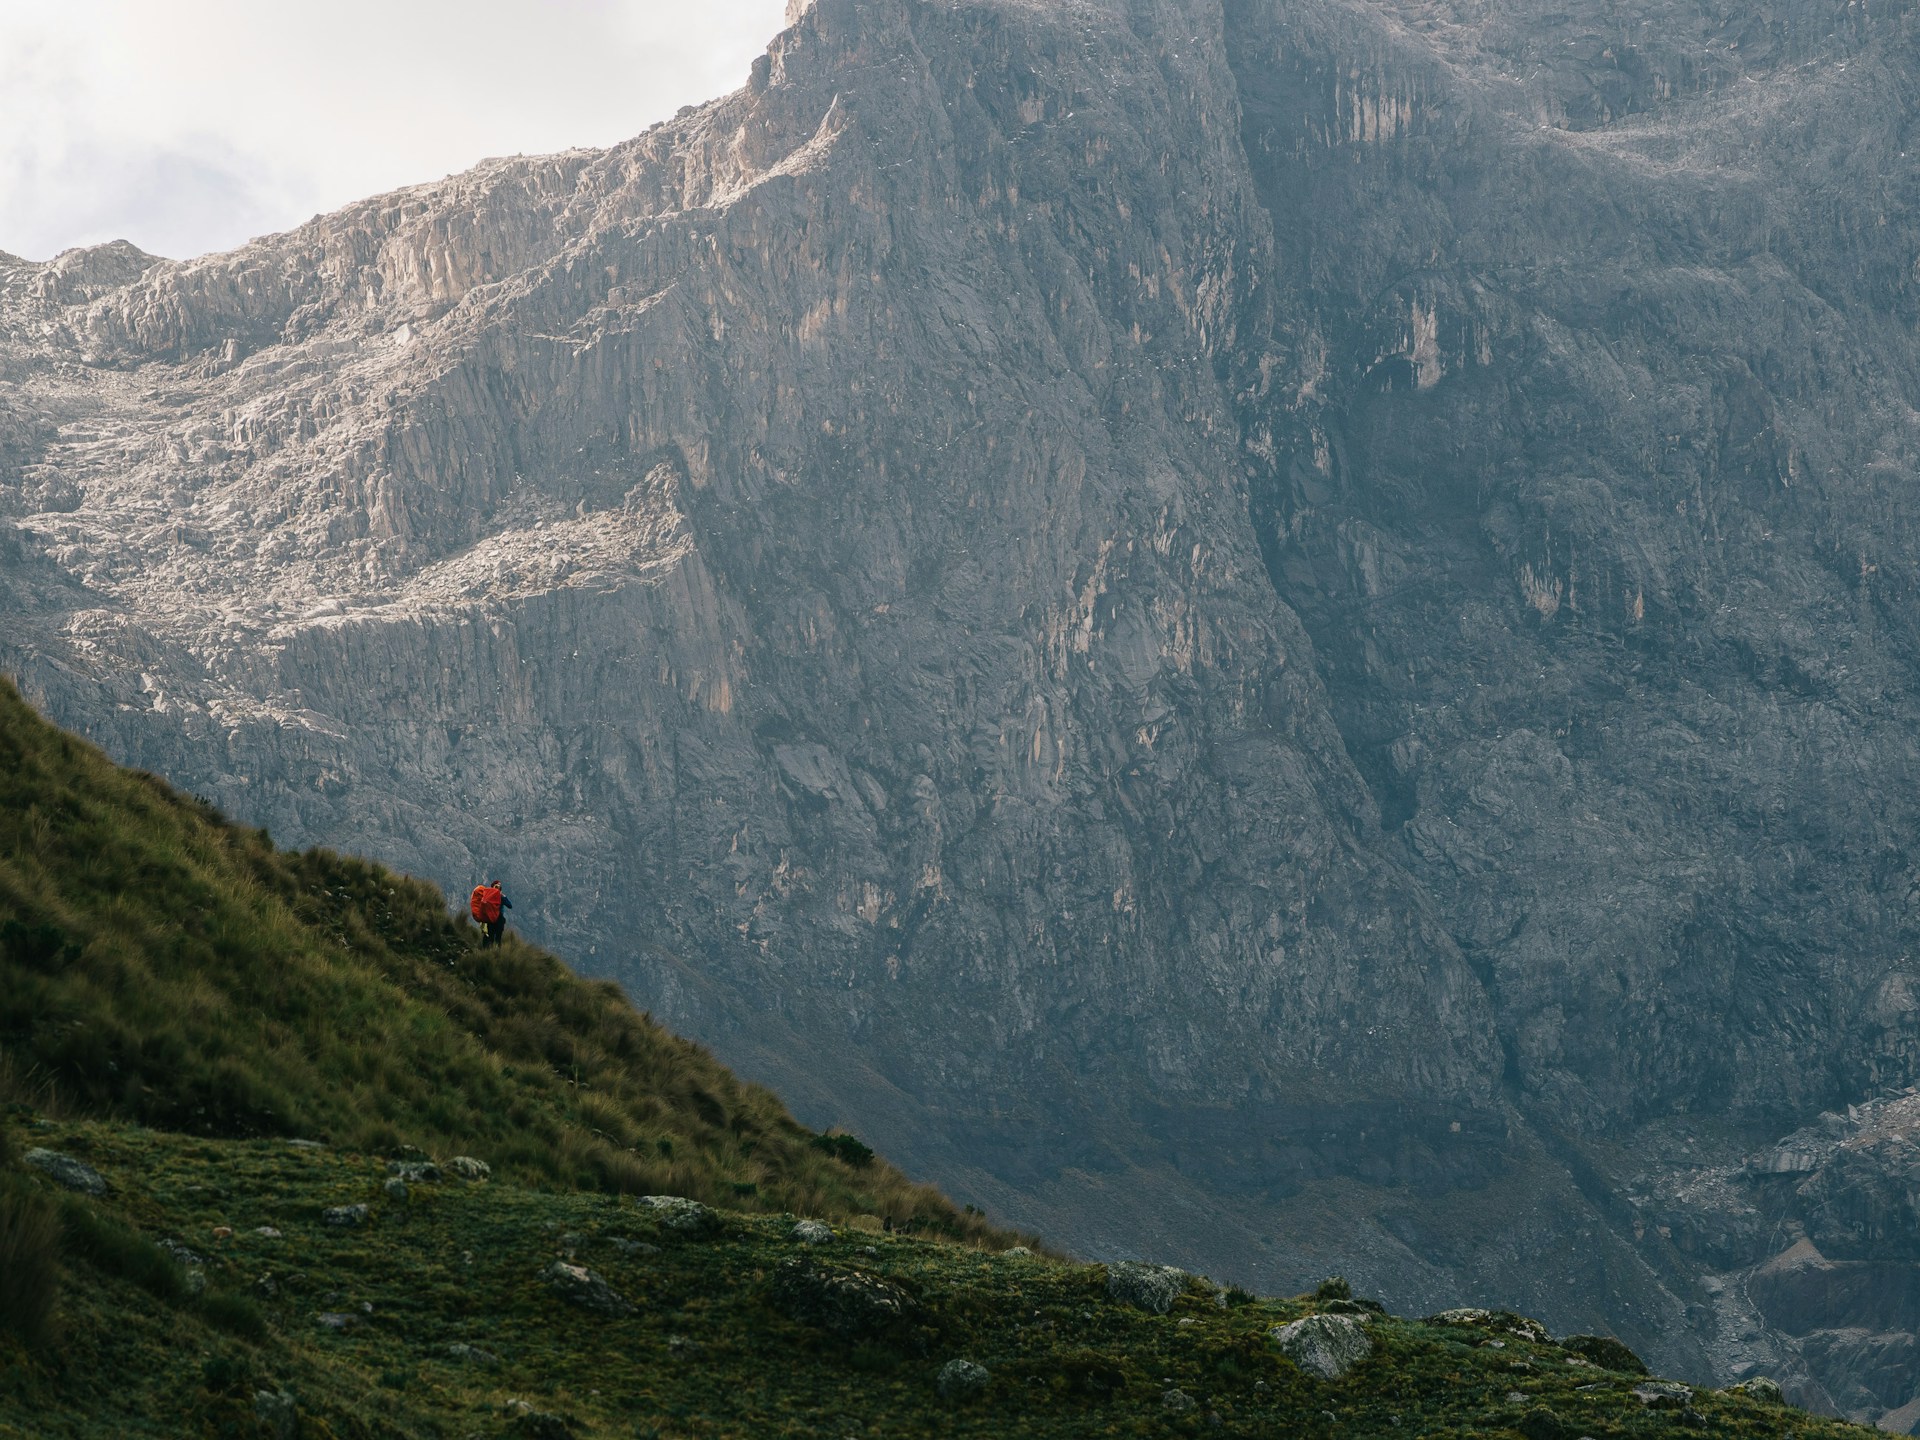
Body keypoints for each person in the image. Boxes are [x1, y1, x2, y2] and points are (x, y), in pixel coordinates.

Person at [469, 879, 512, 947]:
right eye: (496, 886)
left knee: (489, 936)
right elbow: (510, 905)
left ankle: (486, 950)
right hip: (497, 919)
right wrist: (503, 896)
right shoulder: (499, 896)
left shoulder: (487, 895)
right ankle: (494, 950)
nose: (498, 888)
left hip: (490, 919)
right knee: (496, 937)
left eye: (499, 887)